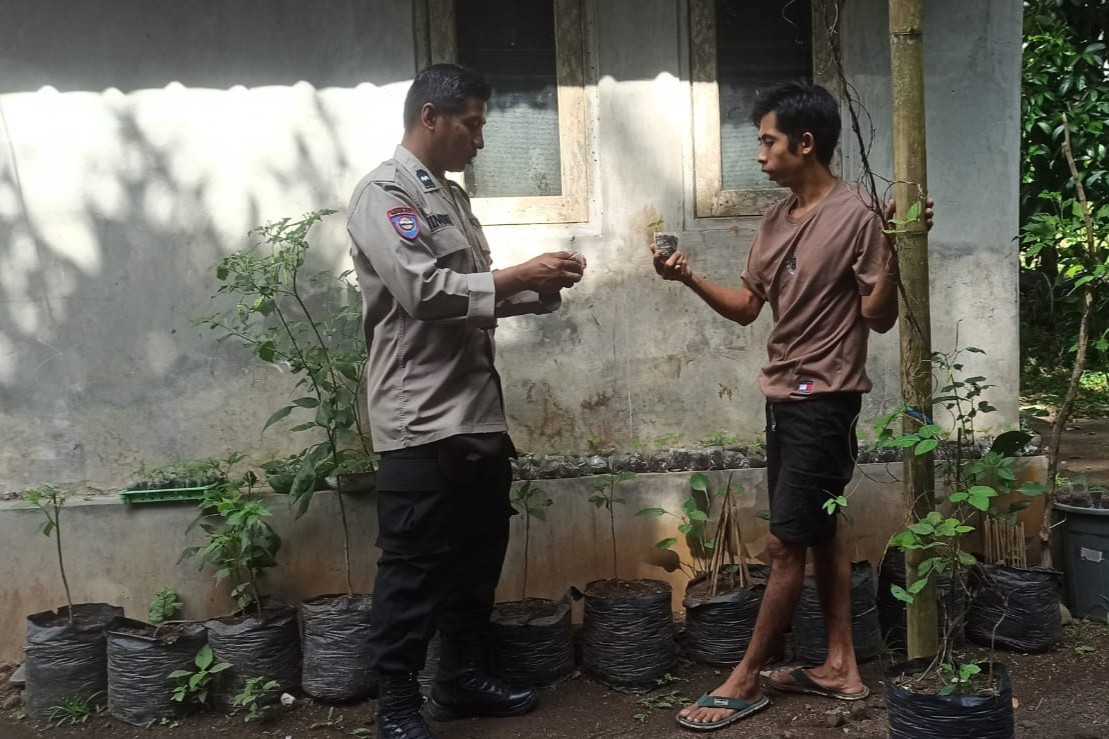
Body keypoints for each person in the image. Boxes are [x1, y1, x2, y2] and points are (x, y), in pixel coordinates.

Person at [653, 81, 931, 732]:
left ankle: (746, 677)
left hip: (825, 399)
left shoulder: (860, 213)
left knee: (784, 544)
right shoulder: (775, 220)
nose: (758, 154)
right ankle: (840, 665)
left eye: (767, 141)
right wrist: (687, 277)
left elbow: (878, 317)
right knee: (820, 530)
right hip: (782, 396)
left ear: (805, 144)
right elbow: (747, 308)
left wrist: (895, 247)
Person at [347, 63, 586, 739]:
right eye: (472, 125)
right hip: (421, 418)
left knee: (478, 556)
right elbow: (424, 292)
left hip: (476, 412)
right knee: (413, 567)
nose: (479, 140)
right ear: (430, 116)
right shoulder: (384, 194)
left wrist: (533, 291)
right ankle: (397, 705)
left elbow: (469, 298)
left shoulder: (450, 199)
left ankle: (458, 679)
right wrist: (516, 273)